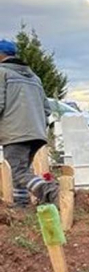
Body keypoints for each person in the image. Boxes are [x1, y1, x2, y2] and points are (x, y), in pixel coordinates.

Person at [0, 39, 58, 207]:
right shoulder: (34, 77)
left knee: (17, 172)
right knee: (23, 170)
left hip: (15, 132)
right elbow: (46, 109)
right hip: (37, 132)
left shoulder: (2, 73)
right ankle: (21, 205)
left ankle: (50, 191)